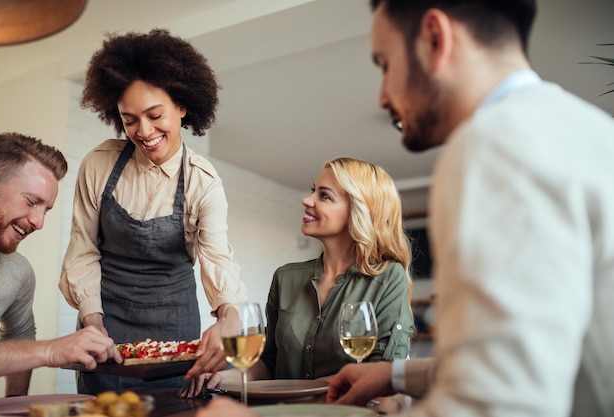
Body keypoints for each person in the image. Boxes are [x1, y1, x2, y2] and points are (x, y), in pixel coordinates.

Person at [196, 0, 614, 416]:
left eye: (385, 64)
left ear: (435, 37)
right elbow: (525, 356)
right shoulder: (588, 129)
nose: (382, 97)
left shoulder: (495, 145)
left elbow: (499, 403)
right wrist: (394, 375)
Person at [58, 29, 247, 394]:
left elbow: (218, 259)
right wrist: (93, 322)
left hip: (174, 324)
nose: (143, 132)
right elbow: (82, 249)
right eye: (129, 120)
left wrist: (230, 316)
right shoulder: (99, 164)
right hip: (106, 322)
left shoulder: (202, 183)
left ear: (182, 105)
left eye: (154, 114)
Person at [182, 157, 414, 399]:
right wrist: (222, 376)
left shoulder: (388, 278)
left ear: (359, 210)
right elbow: (268, 363)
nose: (307, 200)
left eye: (324, 196)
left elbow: (381, 372)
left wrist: (296, 389)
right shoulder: (286, 277)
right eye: (314, 191)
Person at [0, 132, 122, 387]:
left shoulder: (18, 273)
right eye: (31, 201)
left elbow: (19, 337)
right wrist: (49, 351)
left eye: (46, 209)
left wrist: (17, 405)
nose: (38, 223)